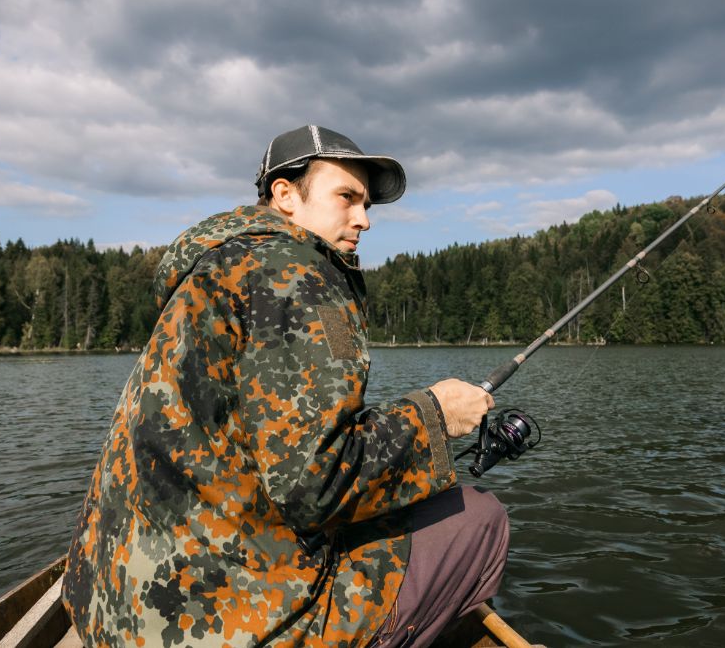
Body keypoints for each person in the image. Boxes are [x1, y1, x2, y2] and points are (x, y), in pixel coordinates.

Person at [61, 125, 510, 647]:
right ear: (285, 195)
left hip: (112, 605)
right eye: (346, 197)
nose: (363, 219)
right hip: (213, 622)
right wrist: (435, 414)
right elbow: (312, 486)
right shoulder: (293, 274)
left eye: (366, 204)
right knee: (480, 515)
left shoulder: (216, 264)